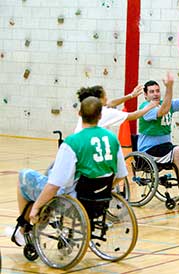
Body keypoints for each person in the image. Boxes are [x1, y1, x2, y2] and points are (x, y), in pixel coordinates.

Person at [12, 96, 128, 246]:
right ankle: (33, 226)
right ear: (100, 115)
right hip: (100, 202)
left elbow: (54, 185)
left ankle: (24, 229)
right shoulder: (112, 138)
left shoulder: (72, 142)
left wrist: (36, 207)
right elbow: (121, 175)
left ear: (79, 113)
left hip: (73, 202)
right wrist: (103, 189)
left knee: (25, 176)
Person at [137, 71, 179, 203]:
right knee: (177, 151)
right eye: (151, 92)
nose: (156, 93)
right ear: (145, 95)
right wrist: (169, 87)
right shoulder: (145, 107)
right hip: (149, 150)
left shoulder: (166, 103)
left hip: (166, 147)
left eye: (157, 90)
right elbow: (162, 111)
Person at [74, 85, 157, 133]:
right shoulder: (105, 112)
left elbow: (111, 103)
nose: (107, 98)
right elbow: (134, 116)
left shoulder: (89, 109)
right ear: (99, 99)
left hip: (79, 142)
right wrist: (150, 106)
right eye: (105, 96)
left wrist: (131, 95)